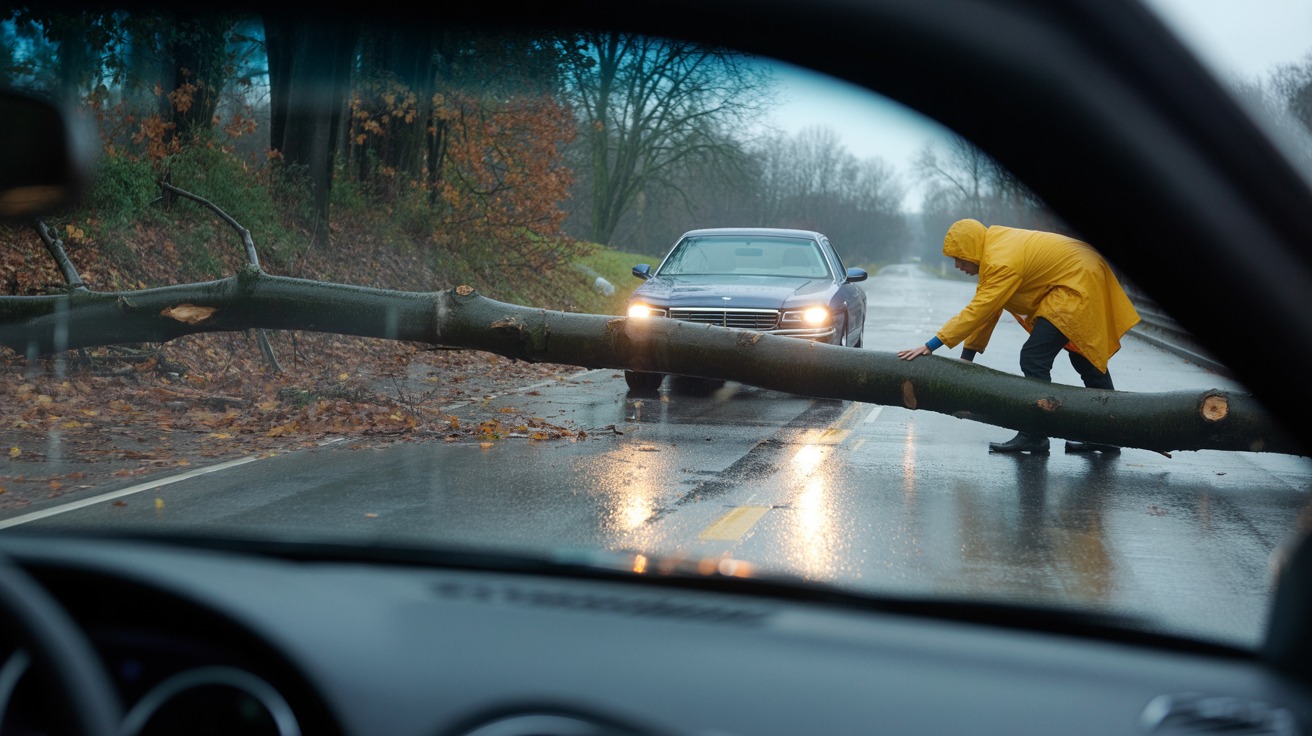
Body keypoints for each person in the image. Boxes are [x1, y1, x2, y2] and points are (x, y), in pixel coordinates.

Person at [896, 218, 1140, 454]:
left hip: (1079, 281)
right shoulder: (994, 251)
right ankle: (1110, 435)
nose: (958, 266)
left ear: (971, 250)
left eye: (959, 259)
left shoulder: (1001, 260)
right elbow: (989, 311)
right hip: (1080, 275)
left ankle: (1036, 434)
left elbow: (979, 310)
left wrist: (931, 345)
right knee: (1083, 357)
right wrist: (966, 359)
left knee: (1034, 356)